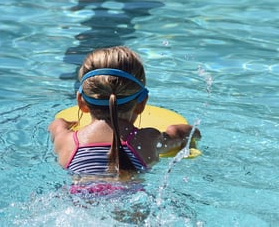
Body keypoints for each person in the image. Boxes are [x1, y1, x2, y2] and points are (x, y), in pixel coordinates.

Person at [49, 46, 201, 184]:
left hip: (76, 208)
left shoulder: (66, 141)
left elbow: (56, 125)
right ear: (142, 103)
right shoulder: (147, 139)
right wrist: (192, 132)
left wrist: (63, 123)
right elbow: (180, 134)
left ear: (81, 102)